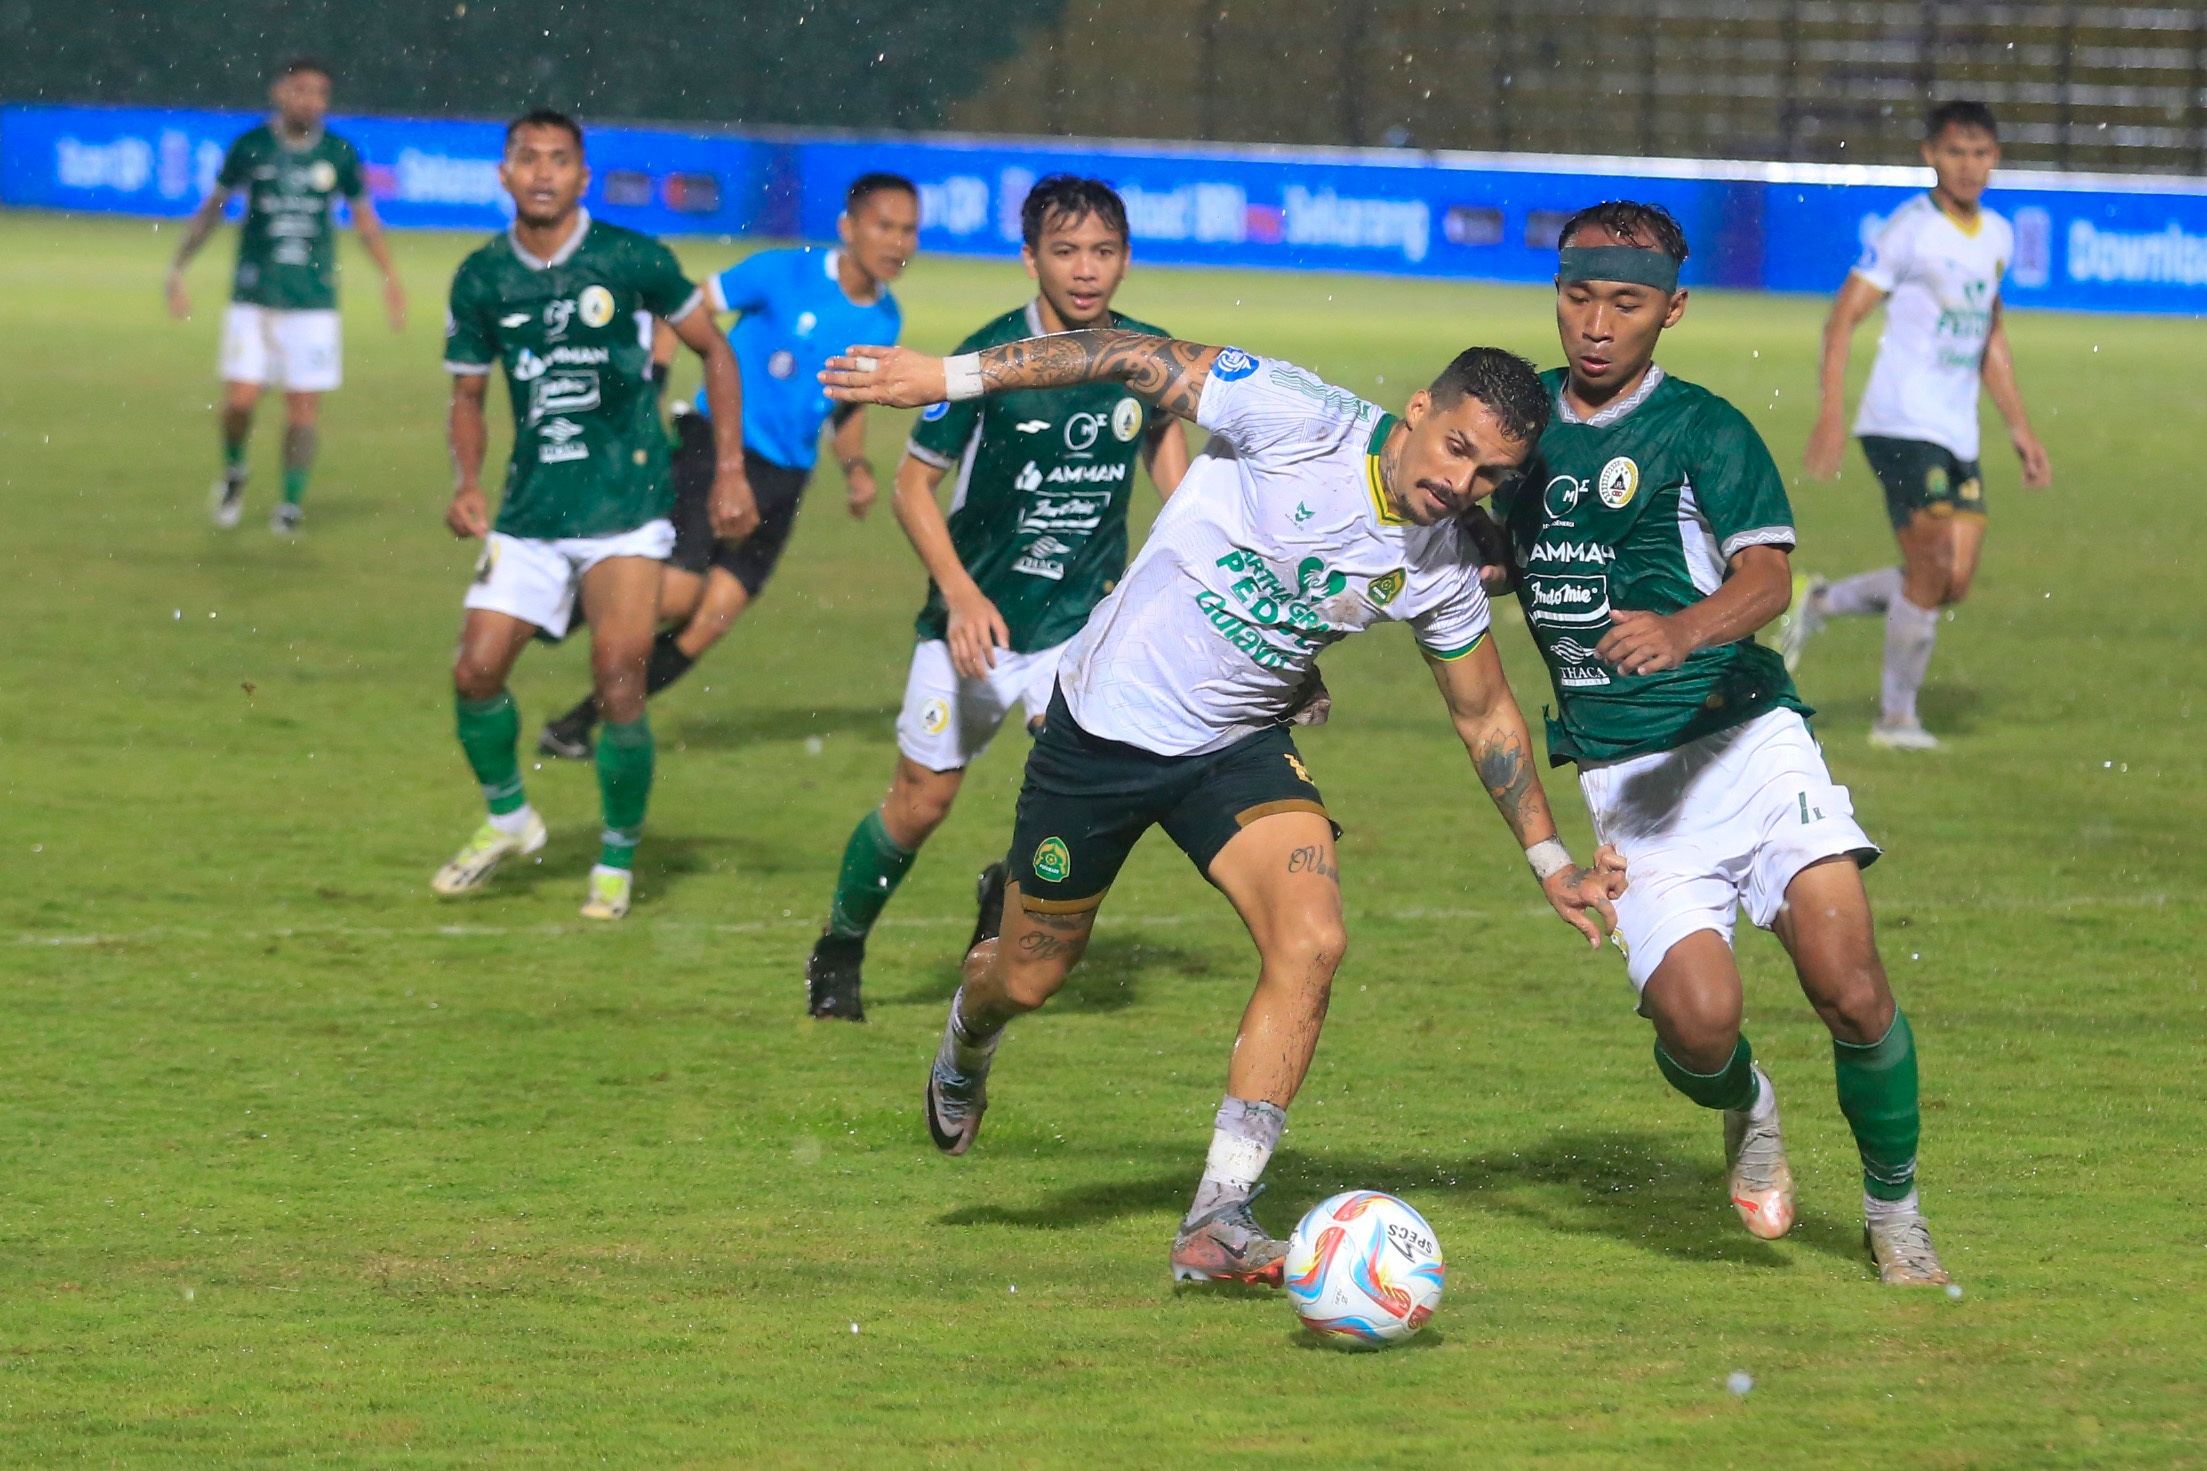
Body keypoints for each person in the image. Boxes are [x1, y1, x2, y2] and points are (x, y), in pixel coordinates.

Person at [822, 332, 1624, 1284]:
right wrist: (945, 379)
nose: (1463, 483)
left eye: (1492, 474)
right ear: (1417, 409)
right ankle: (968, 1034)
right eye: (1456, 448)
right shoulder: (1294, 414)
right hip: (1101, 737)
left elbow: (1483, 709)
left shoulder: (1443, 563)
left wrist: (1549, 858)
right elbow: (1130, 356)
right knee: (1029, 976)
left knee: (1314, 937)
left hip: (1236, 750)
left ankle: (1218, 1214)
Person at [1488, 200, 1949, 1286]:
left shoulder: (1705, 428)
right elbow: (1481, 548)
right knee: (1698, 1024)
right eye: (1576, 295)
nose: (1595, 324)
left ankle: (1895, 1212)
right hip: (1627, 782)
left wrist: (1680, 628)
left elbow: (1767, 579)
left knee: (1847, 979)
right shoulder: (1517, 434)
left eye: (1625, 302)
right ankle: (1744, 1103)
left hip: (1746, 741)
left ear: (1671, 310)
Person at [803, 176, 1191, 1021]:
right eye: (1064, 251)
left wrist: (1183, 549)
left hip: (1078, 625)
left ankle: (1009, 886)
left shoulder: (1144, 354)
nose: (1086, 271)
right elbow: (913, 486)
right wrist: (960, 592)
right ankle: (840, 942)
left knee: (1086, 782)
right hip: (972, 622)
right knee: (920, 803)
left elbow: (1169, 456)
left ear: (1125, 258)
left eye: (1102, 252)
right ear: (1029, 259)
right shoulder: (984, 357)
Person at [431, 111, 754, 921]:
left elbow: (715, 350)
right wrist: (466, 479)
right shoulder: (480, 279)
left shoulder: (630, 257)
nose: (542, 173)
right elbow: (467, 395)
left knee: (618, 684)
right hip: (530, 512)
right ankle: (510, 817)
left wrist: (728, 470)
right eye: (527, 159)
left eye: (559, 161)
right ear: (503, 174)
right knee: (474, 672)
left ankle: (614, 859)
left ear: (582, 176)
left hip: (625, 512)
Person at [535, 173, 919, 759]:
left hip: (785, 478)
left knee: (710, 620)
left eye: (909, 229)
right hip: (715, 448)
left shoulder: (885, 319)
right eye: (884, 225)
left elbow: (844, 406)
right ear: (848, 227)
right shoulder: (782, 273)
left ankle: (575, 725)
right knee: (677, 597)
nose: (898, 241)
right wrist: (654, 387)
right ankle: (562, 597)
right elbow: (680, 309)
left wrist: (857, 468)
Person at [1792, 100, 2051, 749]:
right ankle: (1895, 718)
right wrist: (1830, 413)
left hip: (1955, 428)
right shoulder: (1908, 229)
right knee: (1932, 561)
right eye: (1955, 152)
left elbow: (1988, 334)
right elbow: (1841, 318)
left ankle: (1820, 602)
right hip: (1900, 420)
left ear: (1995, 158)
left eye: (1980, 152)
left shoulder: (1995, 235)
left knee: (1949, 580)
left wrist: (2018, 427)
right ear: (1929, 155)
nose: (1968, 165)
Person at [165, 58, 406, 535]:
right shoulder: (251, 147)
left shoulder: (338, 153)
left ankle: (290, 504)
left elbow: (364, 218)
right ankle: (235, 472)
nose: (309, 100)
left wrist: (389, 277)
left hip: (313, 302)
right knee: (240, 402)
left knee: (302, 411)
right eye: (300, 90)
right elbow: (213, 209)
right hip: (253, 298)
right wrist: (179, 266)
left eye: (318, 92)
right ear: (279, 92)